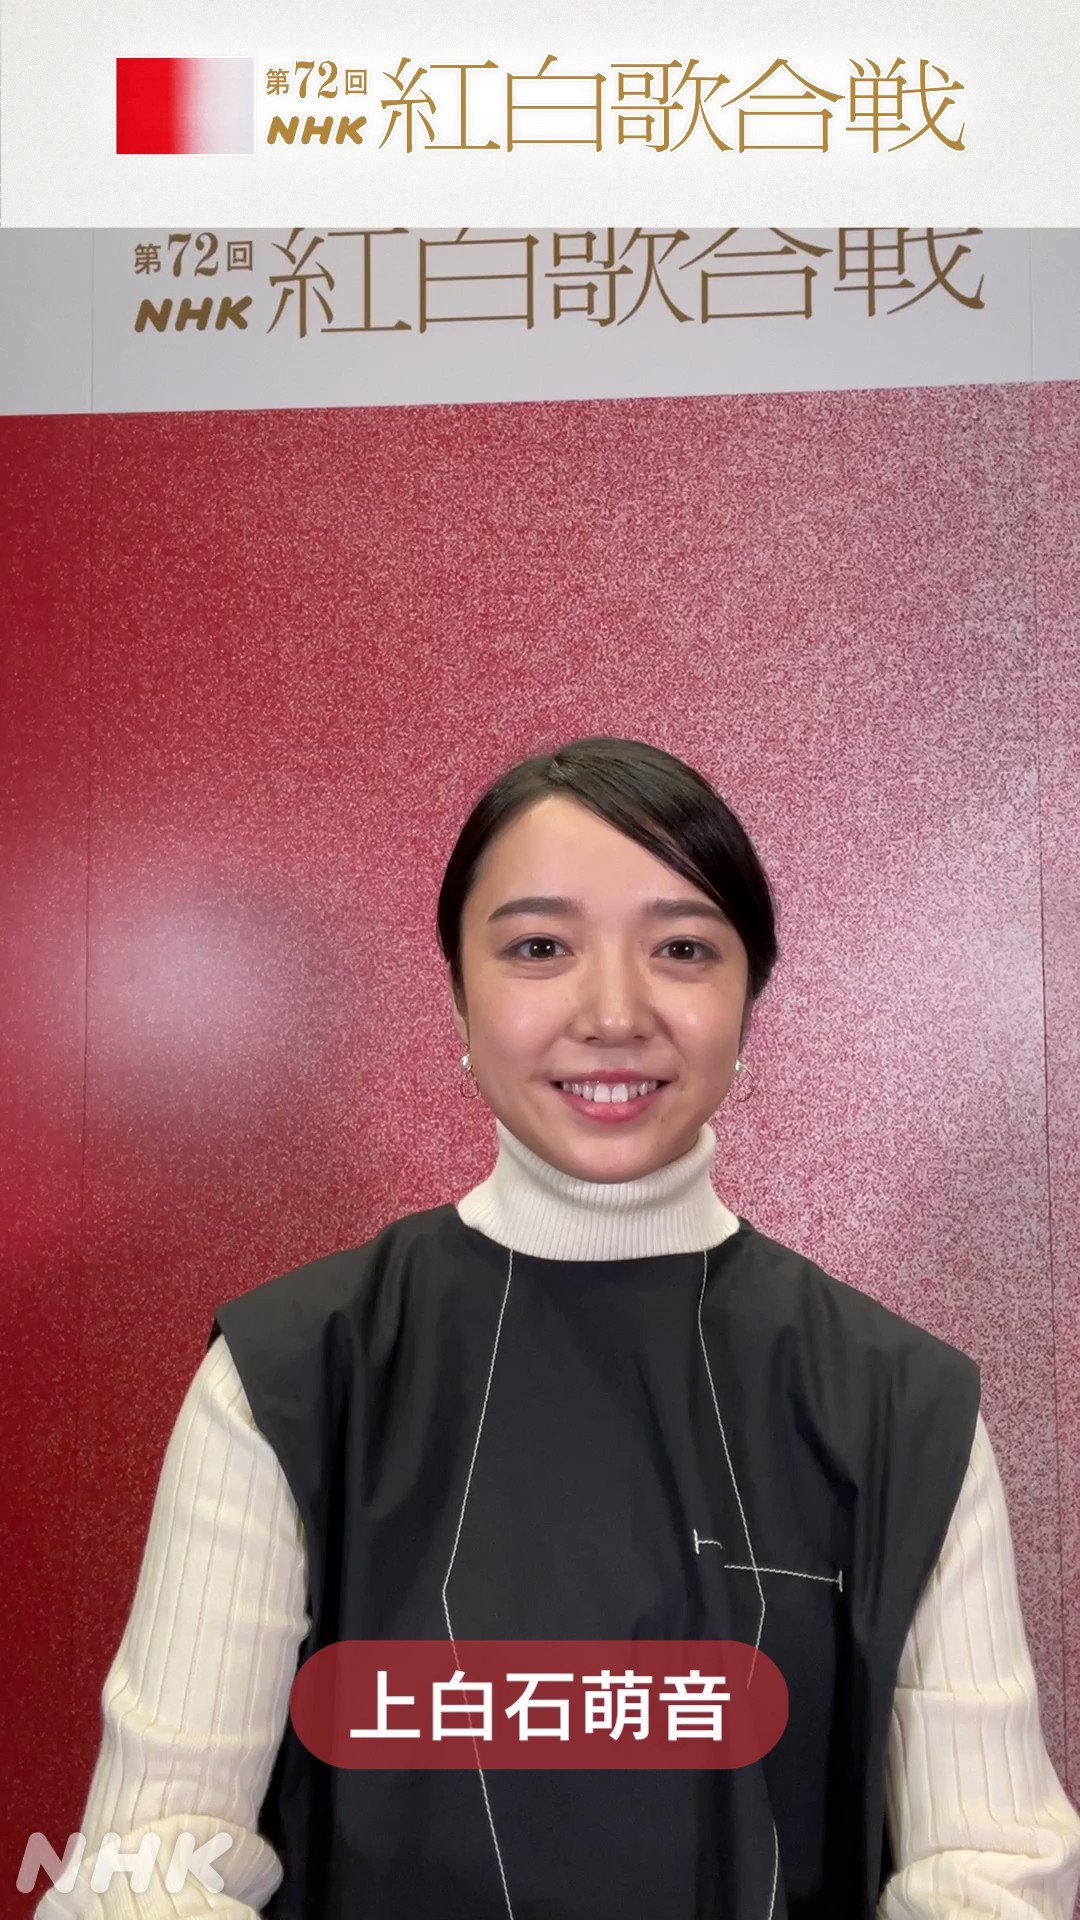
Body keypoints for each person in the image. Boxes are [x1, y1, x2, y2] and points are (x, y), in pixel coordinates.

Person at [36, 737, 1080, 1919]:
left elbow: (993, 1872)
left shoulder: (901, 1408)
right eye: (540, 947)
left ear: (749, 1003)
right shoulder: (293, 1376)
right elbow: (151, 1858)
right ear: (459, 996)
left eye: (683, 949)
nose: (614, 1013)